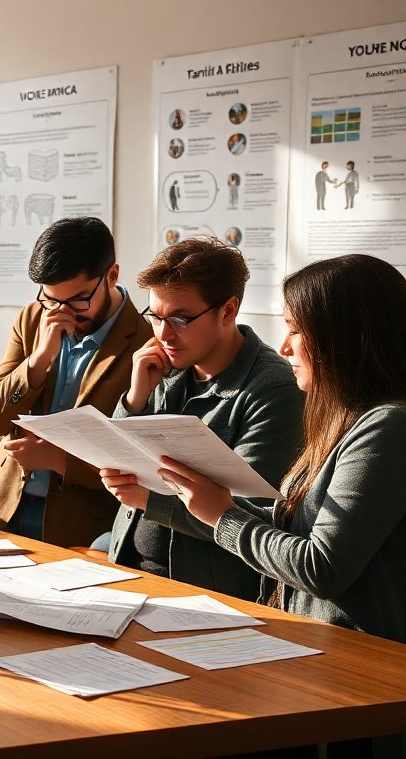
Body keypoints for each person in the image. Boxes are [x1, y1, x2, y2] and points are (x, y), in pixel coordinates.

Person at [131, 254, 406, 758]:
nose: (284, 346)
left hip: (361, 676)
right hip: (317, 653)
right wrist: (212, 504)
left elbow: (321, 566)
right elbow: (293, 524)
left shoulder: (388, 427)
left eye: (297, 330)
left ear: (344, 337)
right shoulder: (345, 416)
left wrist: (223, 516)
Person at [99, 238, 304, 600]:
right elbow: (118, 462)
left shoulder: (275, 390)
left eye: (180, 319)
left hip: (205, 594)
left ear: (228, 311)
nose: (163, 334)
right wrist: (134, 399)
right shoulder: (163, 366)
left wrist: (149, 499)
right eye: (155, 317)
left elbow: (257, 518)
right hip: (129, 568)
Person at [0, 217, 149, 546]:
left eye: (79, 299)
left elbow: (143, 462)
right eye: (52, 299)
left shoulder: (147, 341)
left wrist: (62, 461)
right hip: (4, 508)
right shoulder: (32, 319)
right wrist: (39, 358)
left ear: (112, 275)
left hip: (82, 527)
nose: (64, 311)